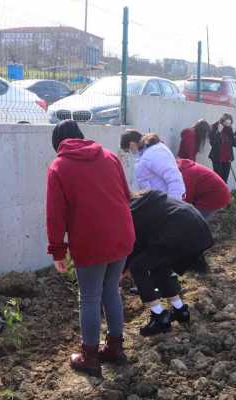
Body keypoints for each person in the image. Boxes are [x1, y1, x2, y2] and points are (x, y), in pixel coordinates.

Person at [46, 120, 135, 377]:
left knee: (89, 298)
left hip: (91, 242)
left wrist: (57, 251)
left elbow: (55, 215)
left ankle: (90, 358)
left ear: (58, 144)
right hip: (122, 235)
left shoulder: (59, 167)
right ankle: (115, 348)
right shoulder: (109, 156)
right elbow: (126, 195)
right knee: (111, 290)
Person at [127, 190, 214, 336]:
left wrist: (122, 270)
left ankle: (159, 317)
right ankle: (180, 310)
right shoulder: (148, 201)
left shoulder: (133, 213)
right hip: (198, 227)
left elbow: (134, 246)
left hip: (179, 231)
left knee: (137, 267)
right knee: (160, 265)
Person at [120, 130, 185, 201]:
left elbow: (174, 179)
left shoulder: (153, 153)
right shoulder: (147, 153)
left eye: (128, 151)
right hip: (159, 203)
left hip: (165, 205)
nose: (130, 153)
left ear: (131, 144)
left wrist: (174, 205)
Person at [209, 113, 236, 182]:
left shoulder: (230, 129)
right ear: (222, 121)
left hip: (227, 159)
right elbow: (213, 143)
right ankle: (216, 192)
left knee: (224, 179)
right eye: (226, 123)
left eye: (230, 123)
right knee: (218, 179)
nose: (228, 125)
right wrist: (218, 132)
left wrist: (234, 133)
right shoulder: (214, 128)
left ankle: (223, 192)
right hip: (217, 158)